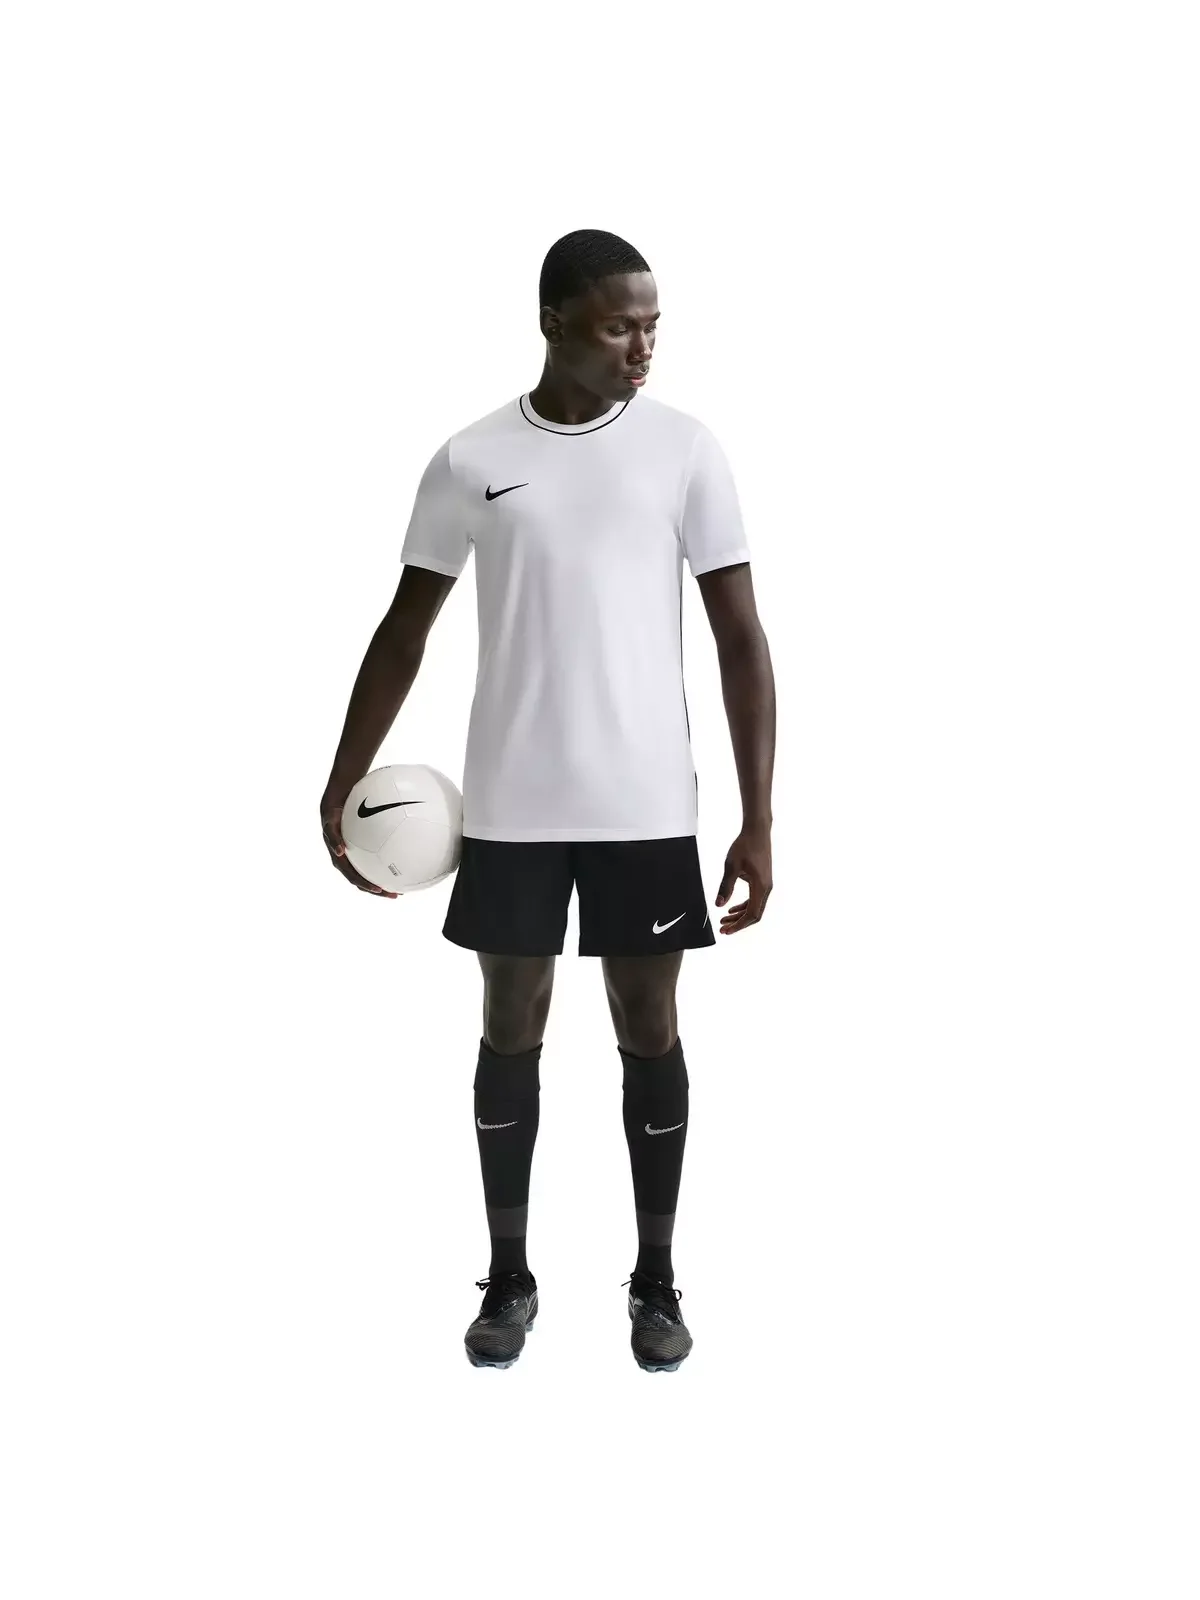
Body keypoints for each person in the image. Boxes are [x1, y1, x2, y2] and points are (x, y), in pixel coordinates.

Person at [320, 229, 775, 1373]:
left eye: (654, 326)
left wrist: (759, 816)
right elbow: (404, 628)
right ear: (556, 320)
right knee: (509, 1023)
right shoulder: (472, 457)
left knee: (648, 1026)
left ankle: (657, 1281)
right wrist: (342, 778)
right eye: (621, 325)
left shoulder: (684, 450)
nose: (643, 348)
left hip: (645, 805)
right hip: (511, 806)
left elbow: (741, 637)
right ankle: (510, 1279)